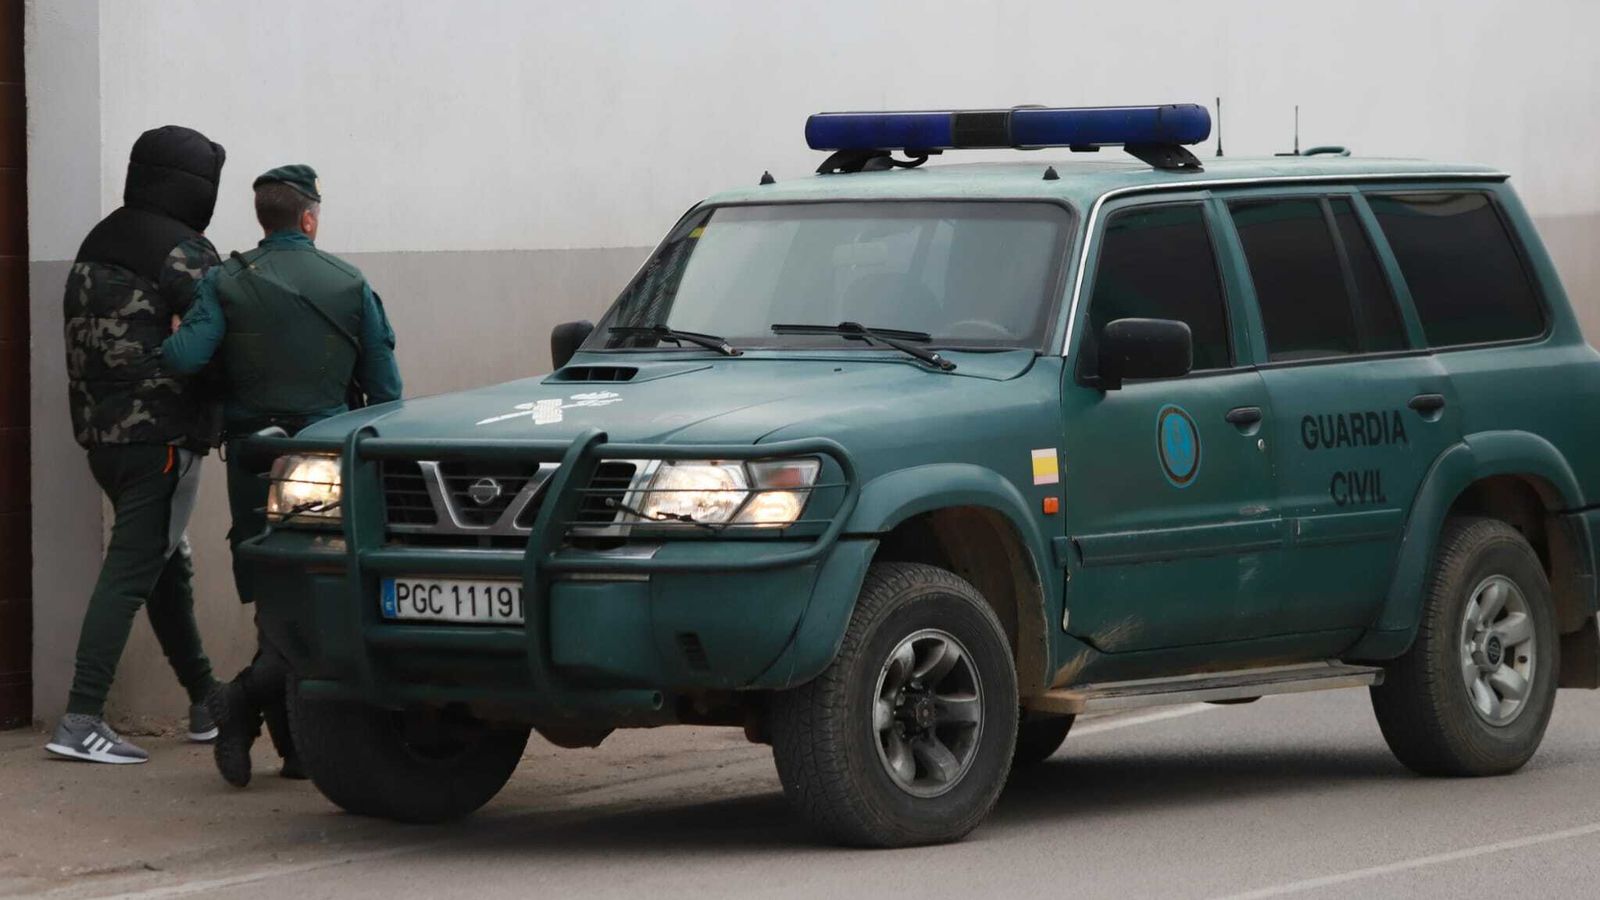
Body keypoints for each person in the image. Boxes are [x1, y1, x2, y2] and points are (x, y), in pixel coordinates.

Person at [163, 164, 402, 786]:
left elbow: (185, 358)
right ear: (309, 217)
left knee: (273, 592)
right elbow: (387, 391)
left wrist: (173, 335)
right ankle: (267, 722)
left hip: (254, 459)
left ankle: (266, 721)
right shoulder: (350, 283)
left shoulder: (227, 281)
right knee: (321, 585)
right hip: (327, 459)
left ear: (264, 219)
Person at [48, 126, 228, 764]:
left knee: (162, 564)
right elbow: (221, 330)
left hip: (102, 438)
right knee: (132, 571)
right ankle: (82, 716)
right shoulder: (184, 251)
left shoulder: (98, 238)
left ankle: (206, 699)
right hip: (162, 440)